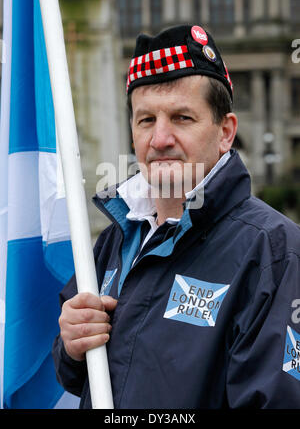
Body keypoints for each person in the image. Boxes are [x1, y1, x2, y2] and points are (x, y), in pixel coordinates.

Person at [52, 24, 300, 409]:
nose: (160, 139)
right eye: (146, 120)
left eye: (182, 118)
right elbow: (75, 378)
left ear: (225, 132)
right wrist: (72, 346)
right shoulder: (115, 239)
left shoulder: (275, 251)